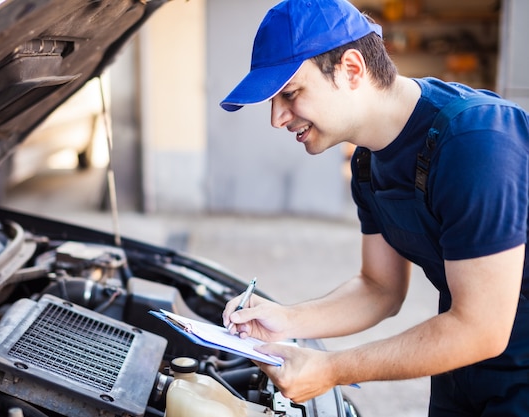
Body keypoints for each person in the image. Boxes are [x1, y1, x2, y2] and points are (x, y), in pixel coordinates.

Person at [220, 0, 529, 415]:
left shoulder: (474, 142)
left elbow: (482, 328)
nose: (276, 118)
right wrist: (286, 320)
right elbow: (380, 288)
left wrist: (330, 369)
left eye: (290, 94)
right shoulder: (368, 163)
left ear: (351, 69)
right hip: (460, 370)